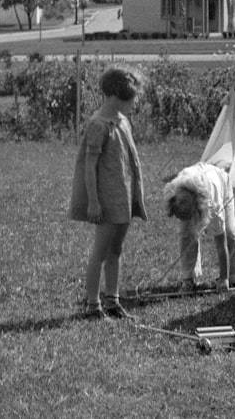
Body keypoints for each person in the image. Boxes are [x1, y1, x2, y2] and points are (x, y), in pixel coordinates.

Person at [69, 68, 146, 320]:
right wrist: (92, 202)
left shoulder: (122, 122)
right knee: (100, 253)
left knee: (116, 251)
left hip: (122, 198)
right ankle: (93, 305)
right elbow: (89, 167)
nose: (134, 104)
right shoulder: (98, 125)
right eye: (131, 99)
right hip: (105, 201)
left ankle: (112, 301)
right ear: (115, 96)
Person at [162, 161, 235, 293]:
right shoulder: (177, 189)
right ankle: (188, 279)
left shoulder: (214, 205)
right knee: (186, 233)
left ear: (197, 210)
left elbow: (220, 244)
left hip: (222, 185)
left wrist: (223, 278)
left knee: (229, 232)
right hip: (197, 188)